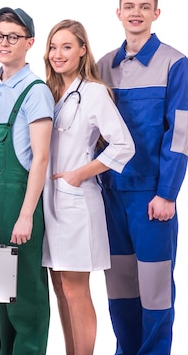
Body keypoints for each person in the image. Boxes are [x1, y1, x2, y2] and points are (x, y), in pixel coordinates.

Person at [97, 0, 188, 355]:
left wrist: (167, 193)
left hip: (151, 197)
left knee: (154, 292)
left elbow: (180, 133)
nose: (136, 12)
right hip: (110, 197)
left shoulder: (175, 63)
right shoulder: (103, 66)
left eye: (144, 6)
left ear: (156, 13)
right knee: (120, 292)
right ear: (118, 13)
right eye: (129, 6)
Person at [41, 20, 135, 355]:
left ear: (83, 50)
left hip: (77, 203)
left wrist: (81, 173)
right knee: (59, 288)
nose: (58, 54)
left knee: (75, 289)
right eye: (53, 47)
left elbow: (123, 145)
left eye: (67, 47)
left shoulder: (93, 92)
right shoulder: (51, 92)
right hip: (51, 204)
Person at [0, 7, 53, 355]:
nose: (4, 43)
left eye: (13, 37)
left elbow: (41, 158)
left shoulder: (35, 90)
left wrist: (26, 214)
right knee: (0, 294)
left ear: (29, 42)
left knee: (26, 295)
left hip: (20, 201)